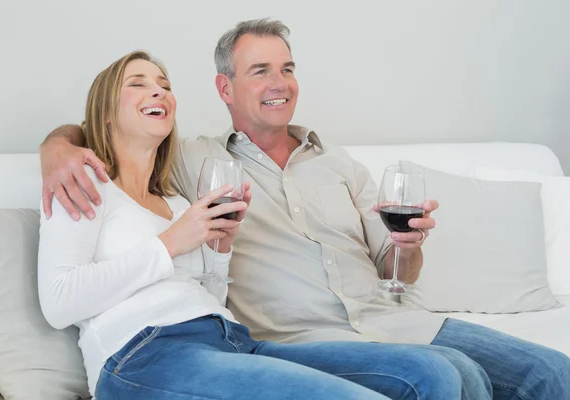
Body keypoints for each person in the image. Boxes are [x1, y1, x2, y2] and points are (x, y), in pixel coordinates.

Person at [39, 19, 570, 400]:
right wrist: (57, 149)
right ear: (225, 88)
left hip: (371, 322)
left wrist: (408, 248)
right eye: (260, 70)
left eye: (287, 69)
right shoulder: (190, 164)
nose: (279, 83)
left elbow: (395, 274)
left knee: (548, 374)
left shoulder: (333, 163)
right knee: (442, 376)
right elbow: (98, 136)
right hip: (270, 338)